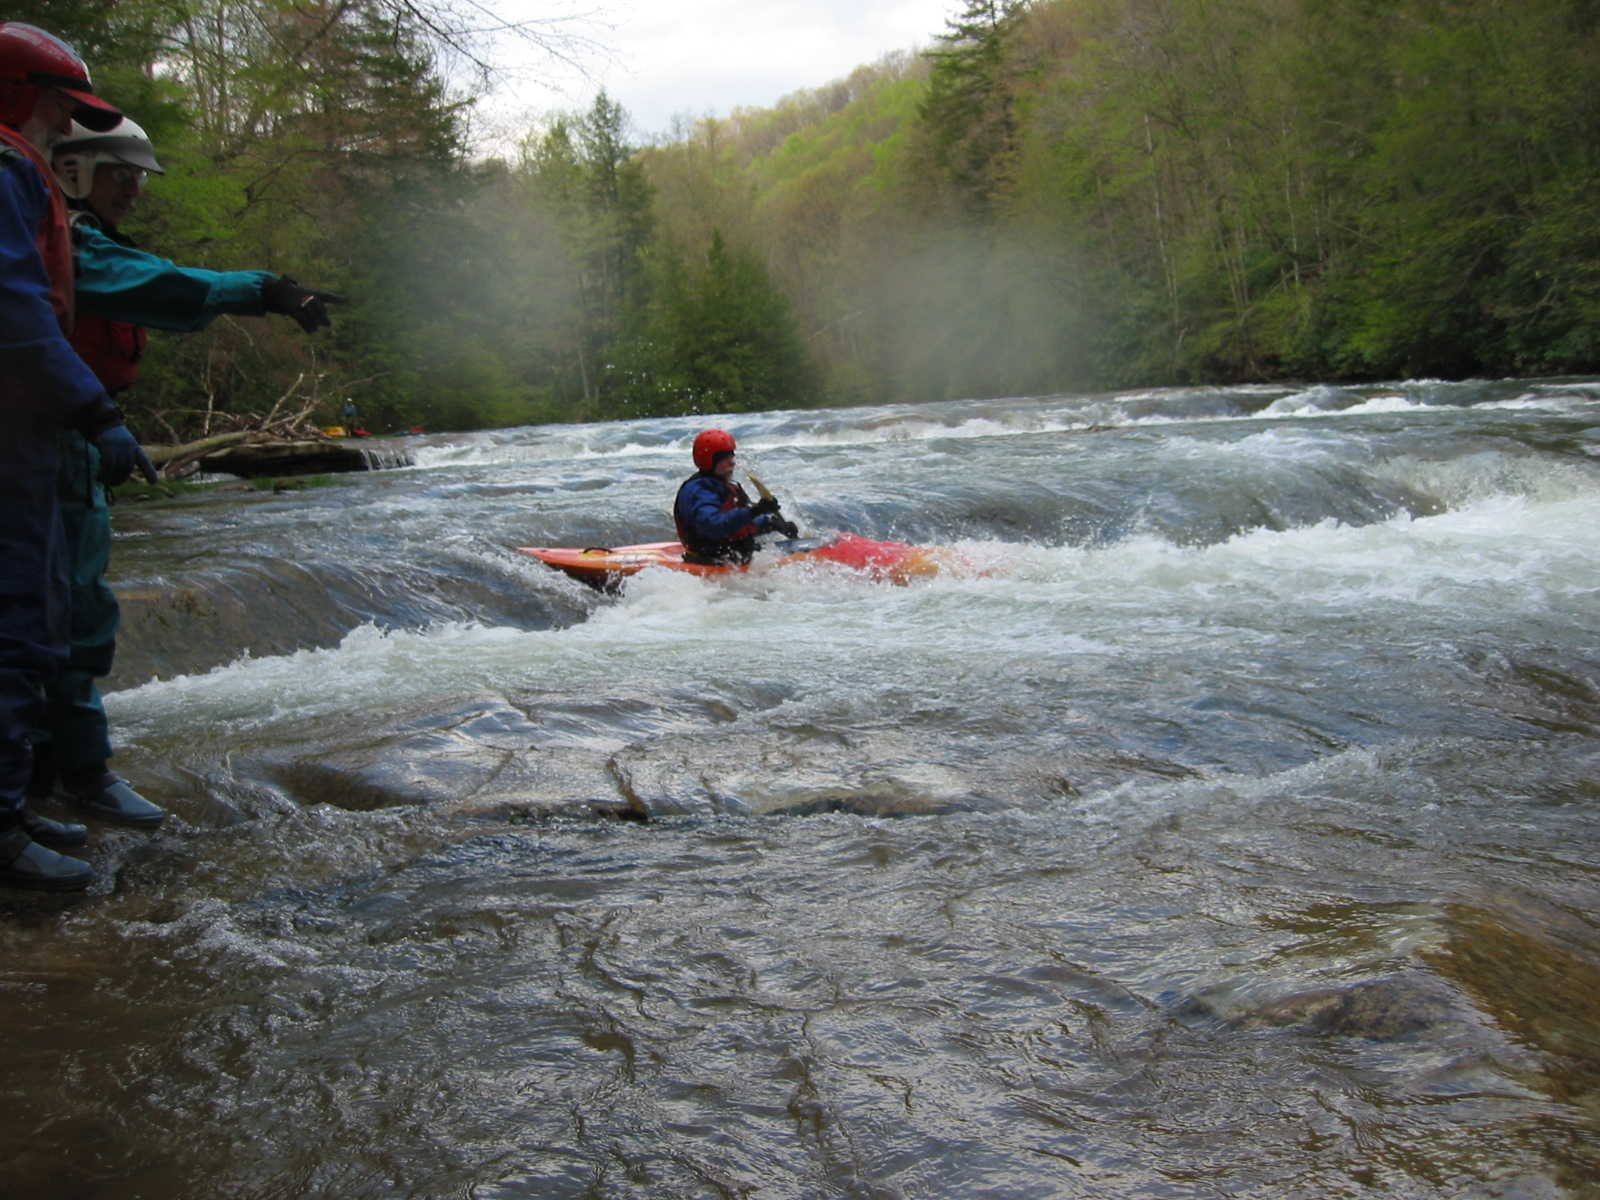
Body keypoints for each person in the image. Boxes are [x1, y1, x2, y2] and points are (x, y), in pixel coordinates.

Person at [22, 115, 342, 833]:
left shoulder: (64, 231)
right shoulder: (63, 239)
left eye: (138, 175)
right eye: (120, 173)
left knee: (65, 617)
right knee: (63, 617)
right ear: (72, 170)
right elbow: (155, 287)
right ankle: (69, 777)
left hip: (69, 439)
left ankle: (47, 778)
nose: (135, 188)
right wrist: (264, 290)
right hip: (50, 444)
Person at [0, 22, 152, 890]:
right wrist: (96, 412)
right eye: (61, 108)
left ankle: (25, 801)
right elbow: (16, 316)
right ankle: (6, 828)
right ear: (21, 93)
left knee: (40, 623)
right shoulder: (7, 168)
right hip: (21, 434)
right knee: (19, 627)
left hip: (29, 427)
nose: (66, 127)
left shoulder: (19, 166)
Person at [673, 429, 799, 565]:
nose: (732, 463)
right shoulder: (700, 490)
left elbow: (740, 523)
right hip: (711, 560)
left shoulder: (724, 485)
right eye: (724, 458)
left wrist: (772, 523)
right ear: (708, 461)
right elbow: (714, 527)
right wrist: (756, 510)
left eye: (732, 456)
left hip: (732, 554)